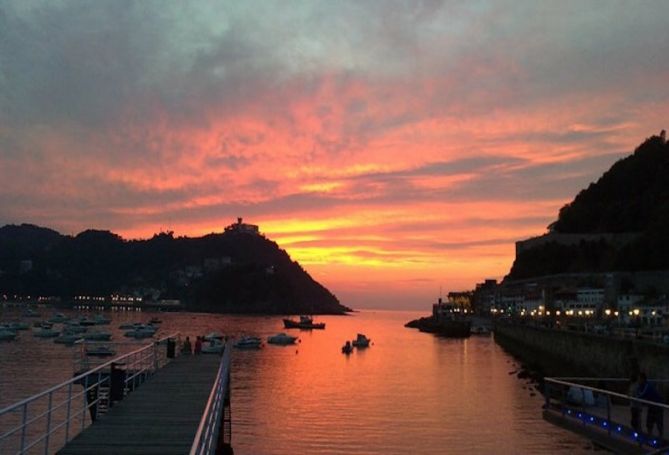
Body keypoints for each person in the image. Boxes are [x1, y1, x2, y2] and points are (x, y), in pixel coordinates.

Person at [637, 372, 664, 437]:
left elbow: (642, 395)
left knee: (659, 424)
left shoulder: (648, 386)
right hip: (651, 406)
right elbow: (638, 392)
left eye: (639, 379)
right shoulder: (641, 386)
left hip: (658, 406)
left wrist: (634, 395)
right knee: (649, 423)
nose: (638, 380)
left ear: (643, 379)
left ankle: (660, 438)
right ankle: (650, 437)